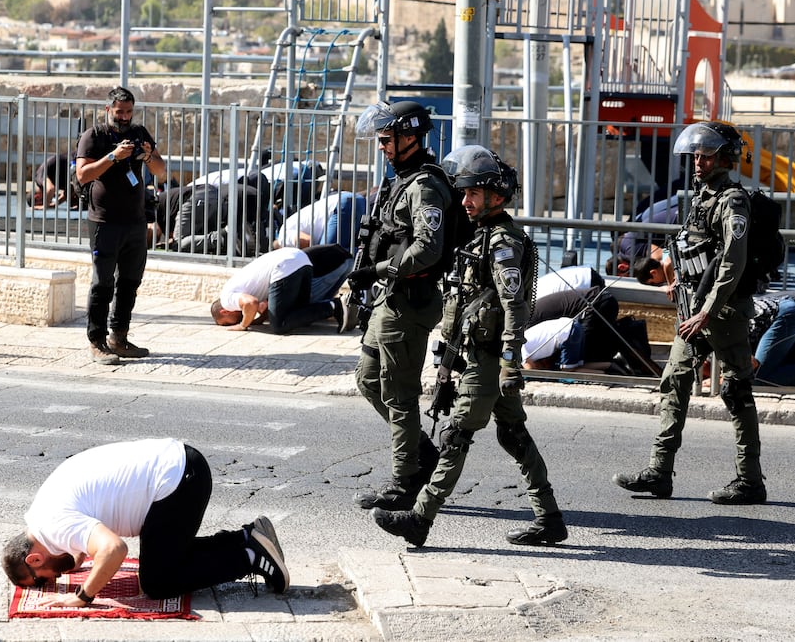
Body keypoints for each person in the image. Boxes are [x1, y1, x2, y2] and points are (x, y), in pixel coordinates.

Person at [372, 145, 568, 547]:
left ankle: (420, 518)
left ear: (497, 196)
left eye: (473, 194)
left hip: (491, 359)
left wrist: (511, 362)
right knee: (513, 435)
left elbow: (514, 307)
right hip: (476, 354)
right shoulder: (482, 235)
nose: (465, 201)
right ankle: (549, 518)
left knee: (456, 436)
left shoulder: (503, 244)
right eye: (464, 193)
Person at [613, 120, 768, 505]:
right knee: (674, 381)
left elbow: (732, 263)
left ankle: (750, 481)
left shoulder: (733, 202)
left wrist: (707, 311)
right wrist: (682, 291)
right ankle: (659, 472)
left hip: (724, 312)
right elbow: (694, 253)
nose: (697, 162)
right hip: (694, 310)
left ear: (725, 159)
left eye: (706, 155)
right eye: (696, 155)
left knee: (736, 391)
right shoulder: (703, 197)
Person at [0, 438, 288, 605]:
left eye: (40, 581)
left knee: (157, 581)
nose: (54, 580)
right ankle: (245, 539)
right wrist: (75, 556)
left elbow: (114, 550)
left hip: (177, 483)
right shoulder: (40, 516)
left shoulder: (54, 527)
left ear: (35, 560)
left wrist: (83, 596)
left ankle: (249, 557)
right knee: (164, 557)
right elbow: (80, 529)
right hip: (179, 466)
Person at [347, 100, 452, 512]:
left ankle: (405, 482)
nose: (381, 147)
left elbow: (428, 248)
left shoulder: (425, 185)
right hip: (388, 298)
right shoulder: (404, 178)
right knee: (368, 380)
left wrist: (379, 270)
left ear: (410, 137)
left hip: (409, 301)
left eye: (386, 139)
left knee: (399, 393)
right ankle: (424, 457)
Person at [77, 86, 167, 365]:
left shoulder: (139, 133)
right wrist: (114, 156)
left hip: (135, 222)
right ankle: (97, 341)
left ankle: (120, 337)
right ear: (108, 110)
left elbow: (161, 173)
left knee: (129, 282)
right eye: (119, 112)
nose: (124, 117)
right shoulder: (95, 136)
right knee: (102, 283)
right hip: (104, 222)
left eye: (128, 111)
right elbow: (82, 175)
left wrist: (149, 156)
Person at [209, 245, 351, 334]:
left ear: (224, 311)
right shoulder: (235, 286)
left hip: (284, 266)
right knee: (299, 313)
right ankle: (340, 307)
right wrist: (259, 319)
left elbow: (250, 303)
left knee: (279, 325)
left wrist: (242, 325)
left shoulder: (226, 299)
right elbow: (269, 302)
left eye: (228, 322)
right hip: (301, 259)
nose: (232, 322)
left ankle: (335, 306)